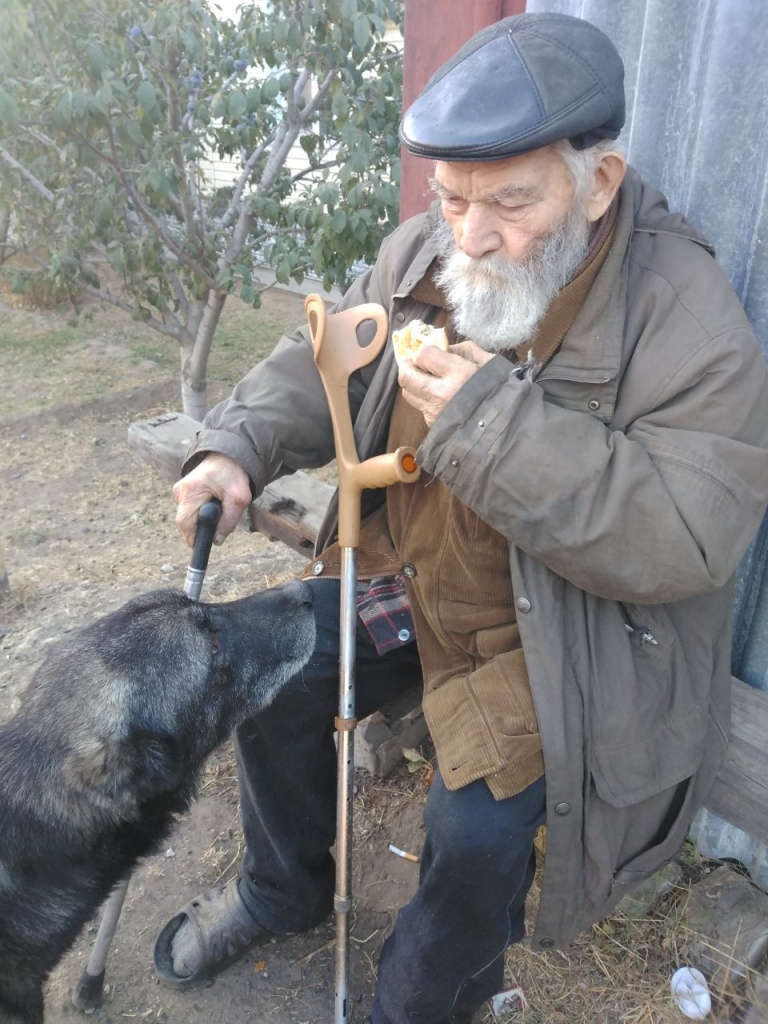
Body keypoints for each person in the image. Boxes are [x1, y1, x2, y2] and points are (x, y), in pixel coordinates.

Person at [152, 12, 768, 1023]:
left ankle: (424, 996)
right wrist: (236, 445)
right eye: (450, 197)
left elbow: (689, 536)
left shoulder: (688, 321)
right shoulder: (429, 251)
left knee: (474, 827)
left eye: (510, 203)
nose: (470, 236)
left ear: (598, 182)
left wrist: (487, 419)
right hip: (416, 577)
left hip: (560, 638)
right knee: (256, 674)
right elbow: (328, 355)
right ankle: (281, 885)